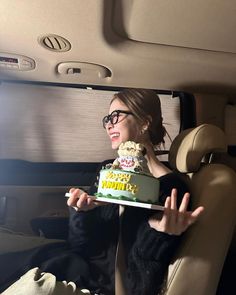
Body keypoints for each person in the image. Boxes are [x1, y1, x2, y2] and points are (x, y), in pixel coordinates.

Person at [0, 88, 204, 295]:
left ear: (144, 122)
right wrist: (82, 213)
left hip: (103, 287)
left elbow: (142, 281)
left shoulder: (172, 189)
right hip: (78, 266)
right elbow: (82, 247)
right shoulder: (108, 171)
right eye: (107, 118)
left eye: (116, 116)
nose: (109, 124)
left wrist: (160, 235)